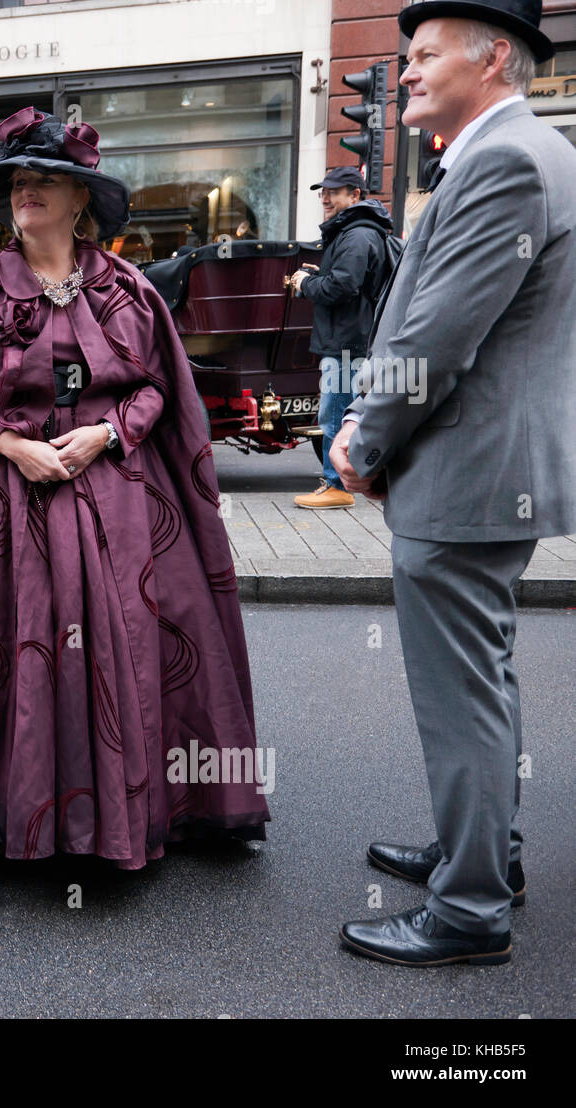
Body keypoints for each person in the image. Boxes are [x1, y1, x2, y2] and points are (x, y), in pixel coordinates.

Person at [0, 106, 269, 868]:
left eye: (47, 180)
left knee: (141, 648)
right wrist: (13, 445)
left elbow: (156, 390)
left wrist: (107, 434)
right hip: (1, 507)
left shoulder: (128, 290)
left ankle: (124, 817)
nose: (29, 192)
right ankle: (5, 817)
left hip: (120, 498)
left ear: (82, 199)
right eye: (19, 180)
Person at [331, 1, 576, 967]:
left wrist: (365, 439)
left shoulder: (504, 160)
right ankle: (484, 853)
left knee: (462, 694)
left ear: (498, 58)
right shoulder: (532, 150)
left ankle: (471, 908)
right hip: (490, 471)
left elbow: (437, 338)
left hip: (466, 472)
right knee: (487, 676)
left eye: (427, 55)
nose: (408, 72)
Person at [289, 166, 396, 510]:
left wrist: (305, 285)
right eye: (323, 192)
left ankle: (336, 485)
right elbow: (352, 281)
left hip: (347, 340)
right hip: (352, 337)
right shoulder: (359, 232)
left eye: (333, 192)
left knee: (335, 412)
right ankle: (346, 479)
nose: (325, 198)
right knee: (344, 410)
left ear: (354, 195)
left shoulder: (356, 235)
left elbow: (343, 286)